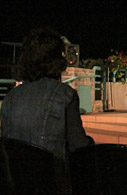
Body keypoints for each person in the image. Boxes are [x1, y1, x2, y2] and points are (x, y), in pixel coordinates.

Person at [1, 27, 93, 165]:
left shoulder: (10, 97)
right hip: (51, 181)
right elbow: (79, 147)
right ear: (56, 60)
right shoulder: (64, 94)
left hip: (16, 182)